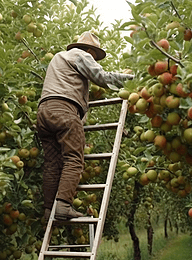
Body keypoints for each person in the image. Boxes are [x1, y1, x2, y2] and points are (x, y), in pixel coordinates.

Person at [37, 31, 134, 221]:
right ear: (89, 50)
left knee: (52, 163)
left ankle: (49, 209)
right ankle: (63, 205)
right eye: (95, 57)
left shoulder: (58, 58)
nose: (94, 60)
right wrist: (134, 80)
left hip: (43, 112)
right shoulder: (81, 55)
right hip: (64, 110)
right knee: (74, 158)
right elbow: (102, 76)